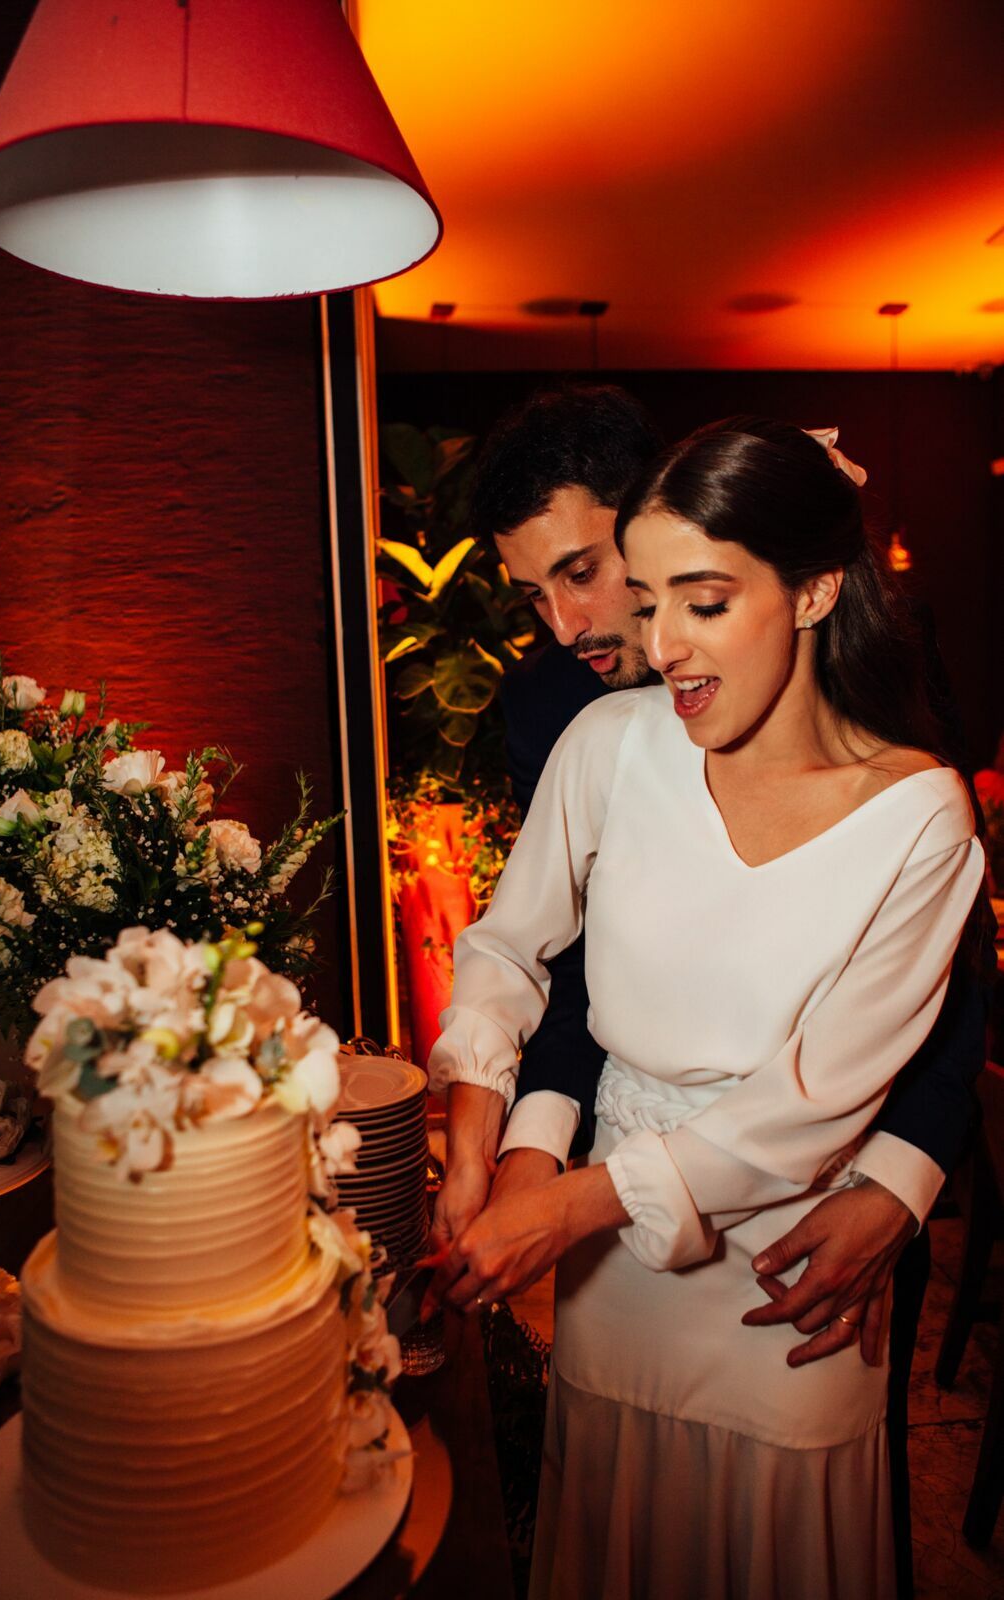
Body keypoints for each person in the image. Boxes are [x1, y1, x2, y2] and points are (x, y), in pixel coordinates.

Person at [427, 416, 985, 1599]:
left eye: (691, 598)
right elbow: (524, 952)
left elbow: (866, 1054)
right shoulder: (587, 729)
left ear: (813, 589)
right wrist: (491, 1134)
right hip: (610, 1273)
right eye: (540, 595)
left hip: (795, 1248)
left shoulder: (914, 799)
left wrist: (896, 1180)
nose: (630, 636)